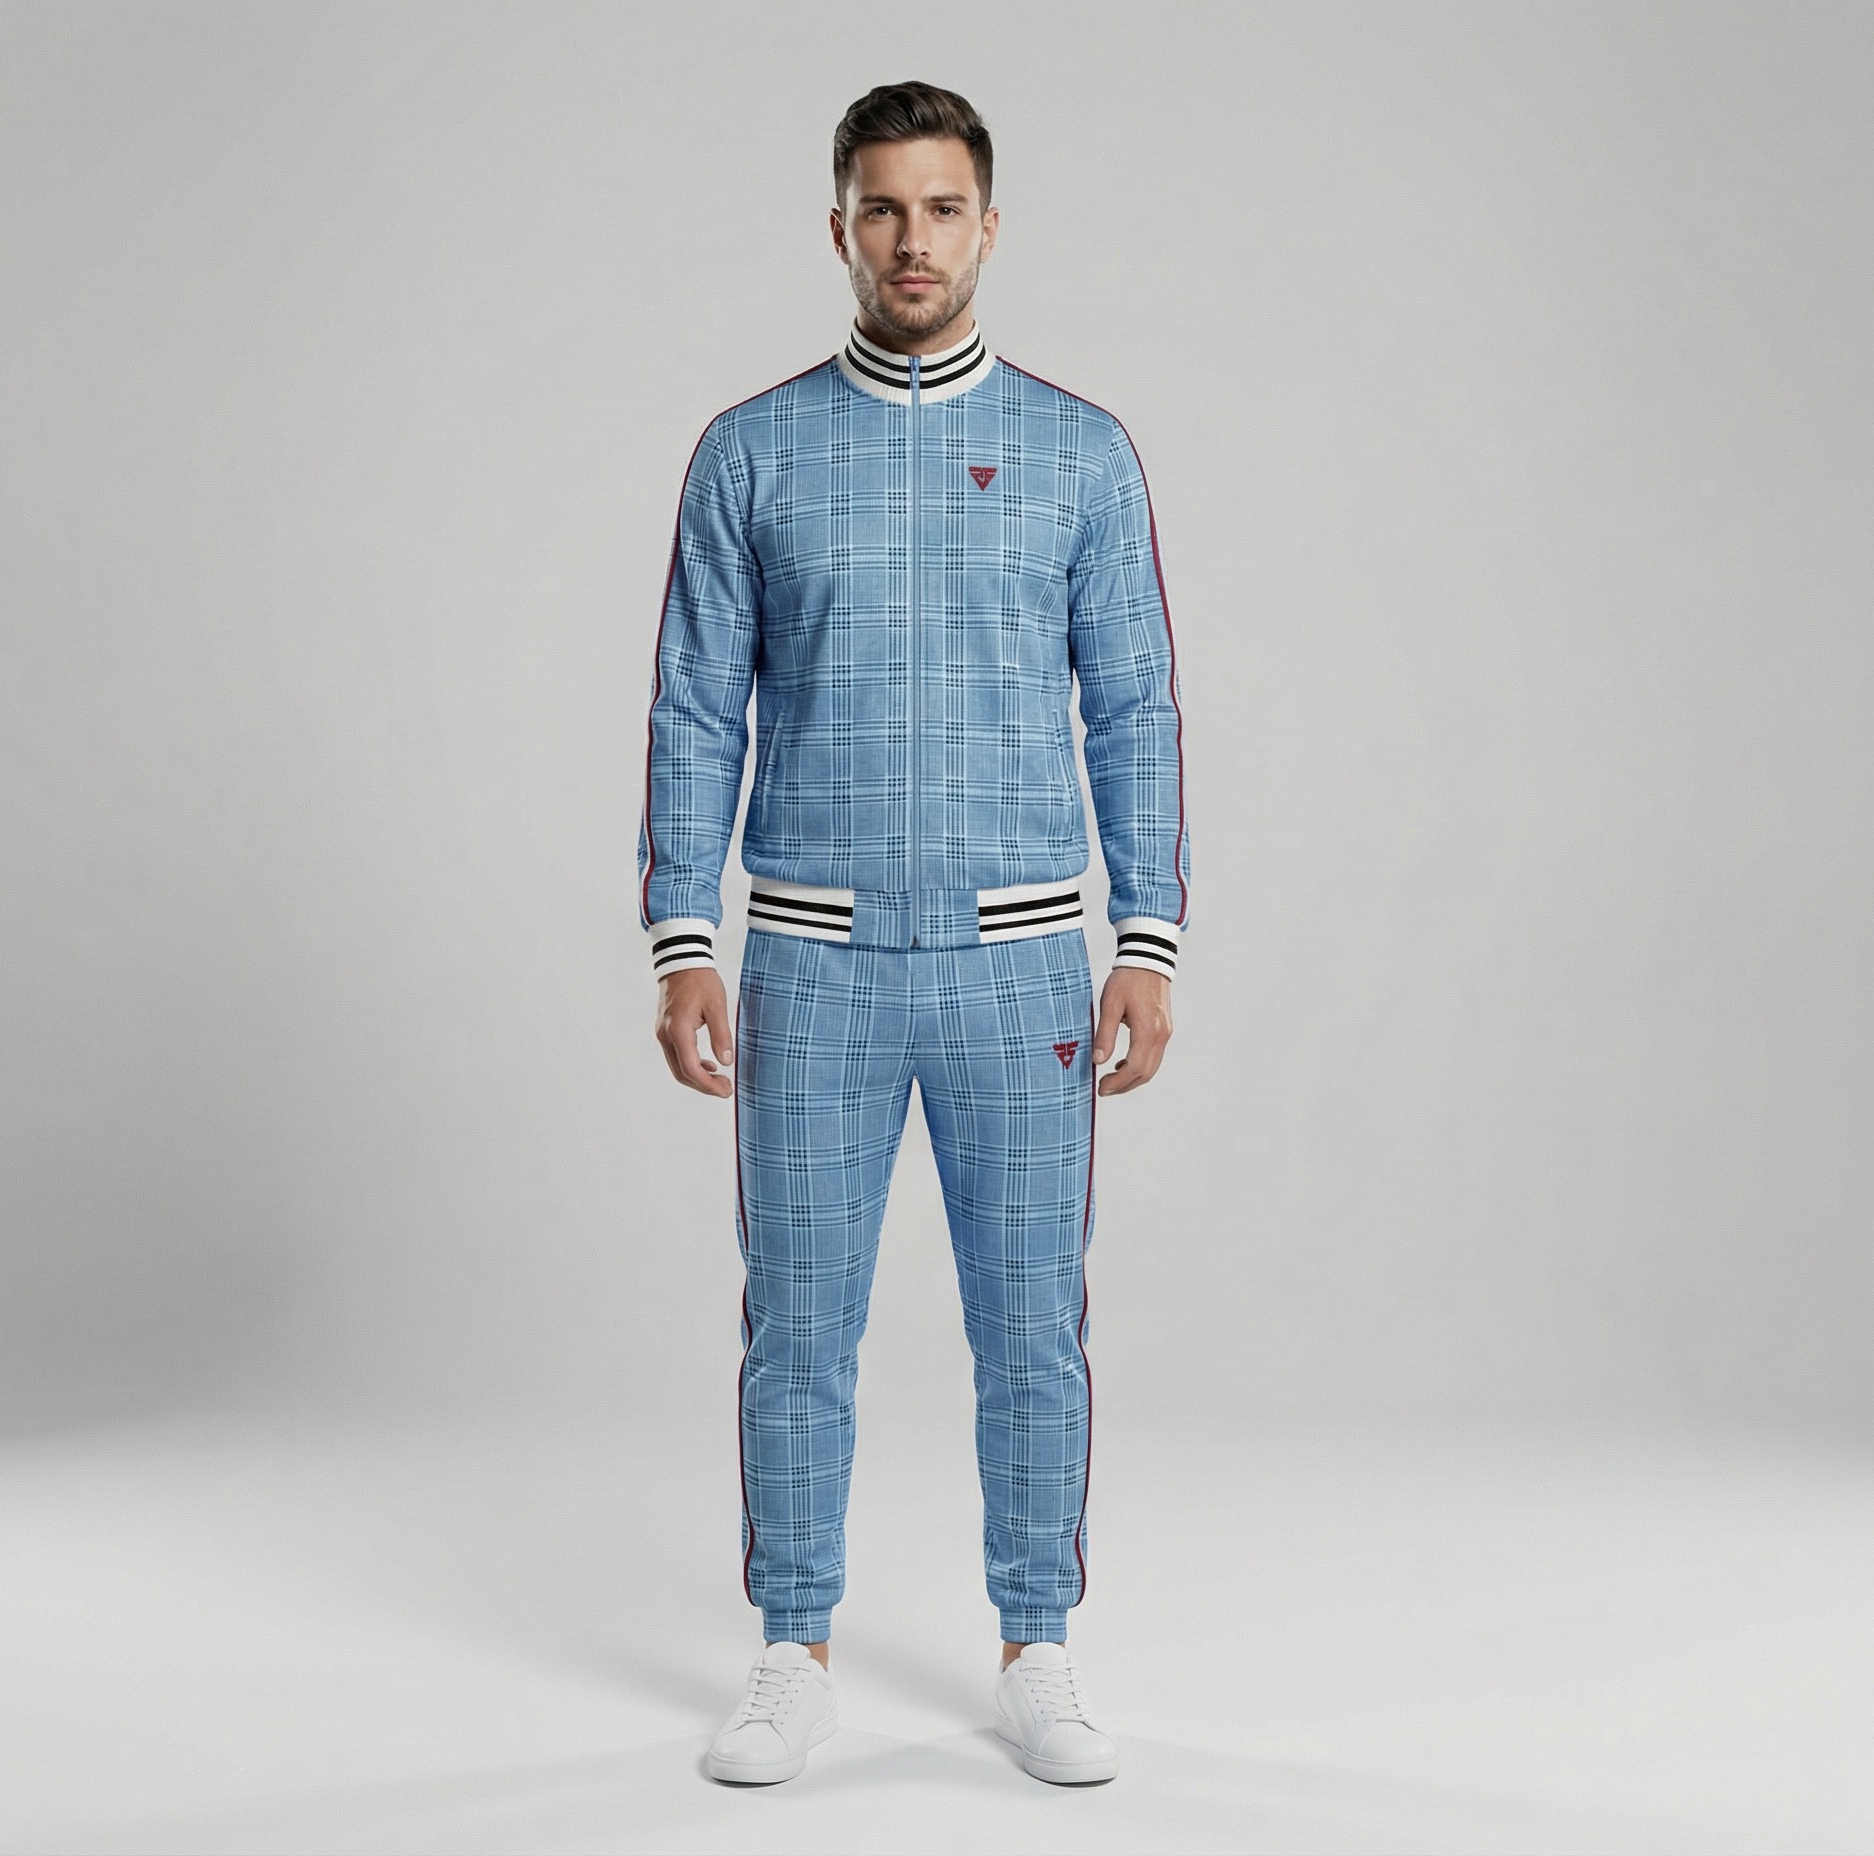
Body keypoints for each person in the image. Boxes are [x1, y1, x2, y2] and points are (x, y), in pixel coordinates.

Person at [637, 80, 1188, 1787]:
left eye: (942, 208)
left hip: (1022, 963)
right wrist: (681, 933)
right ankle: (790, 1649)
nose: (912, 239)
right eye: (882, 208)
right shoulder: (751, 452)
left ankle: (1041, 1647)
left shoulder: (1082, 453)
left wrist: (1149, 936)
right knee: (798, 1325)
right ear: (840, 228)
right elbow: (695, 706)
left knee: (1030, 1327)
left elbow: (1136, 704)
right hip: (812, 961)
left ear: (989, 227)